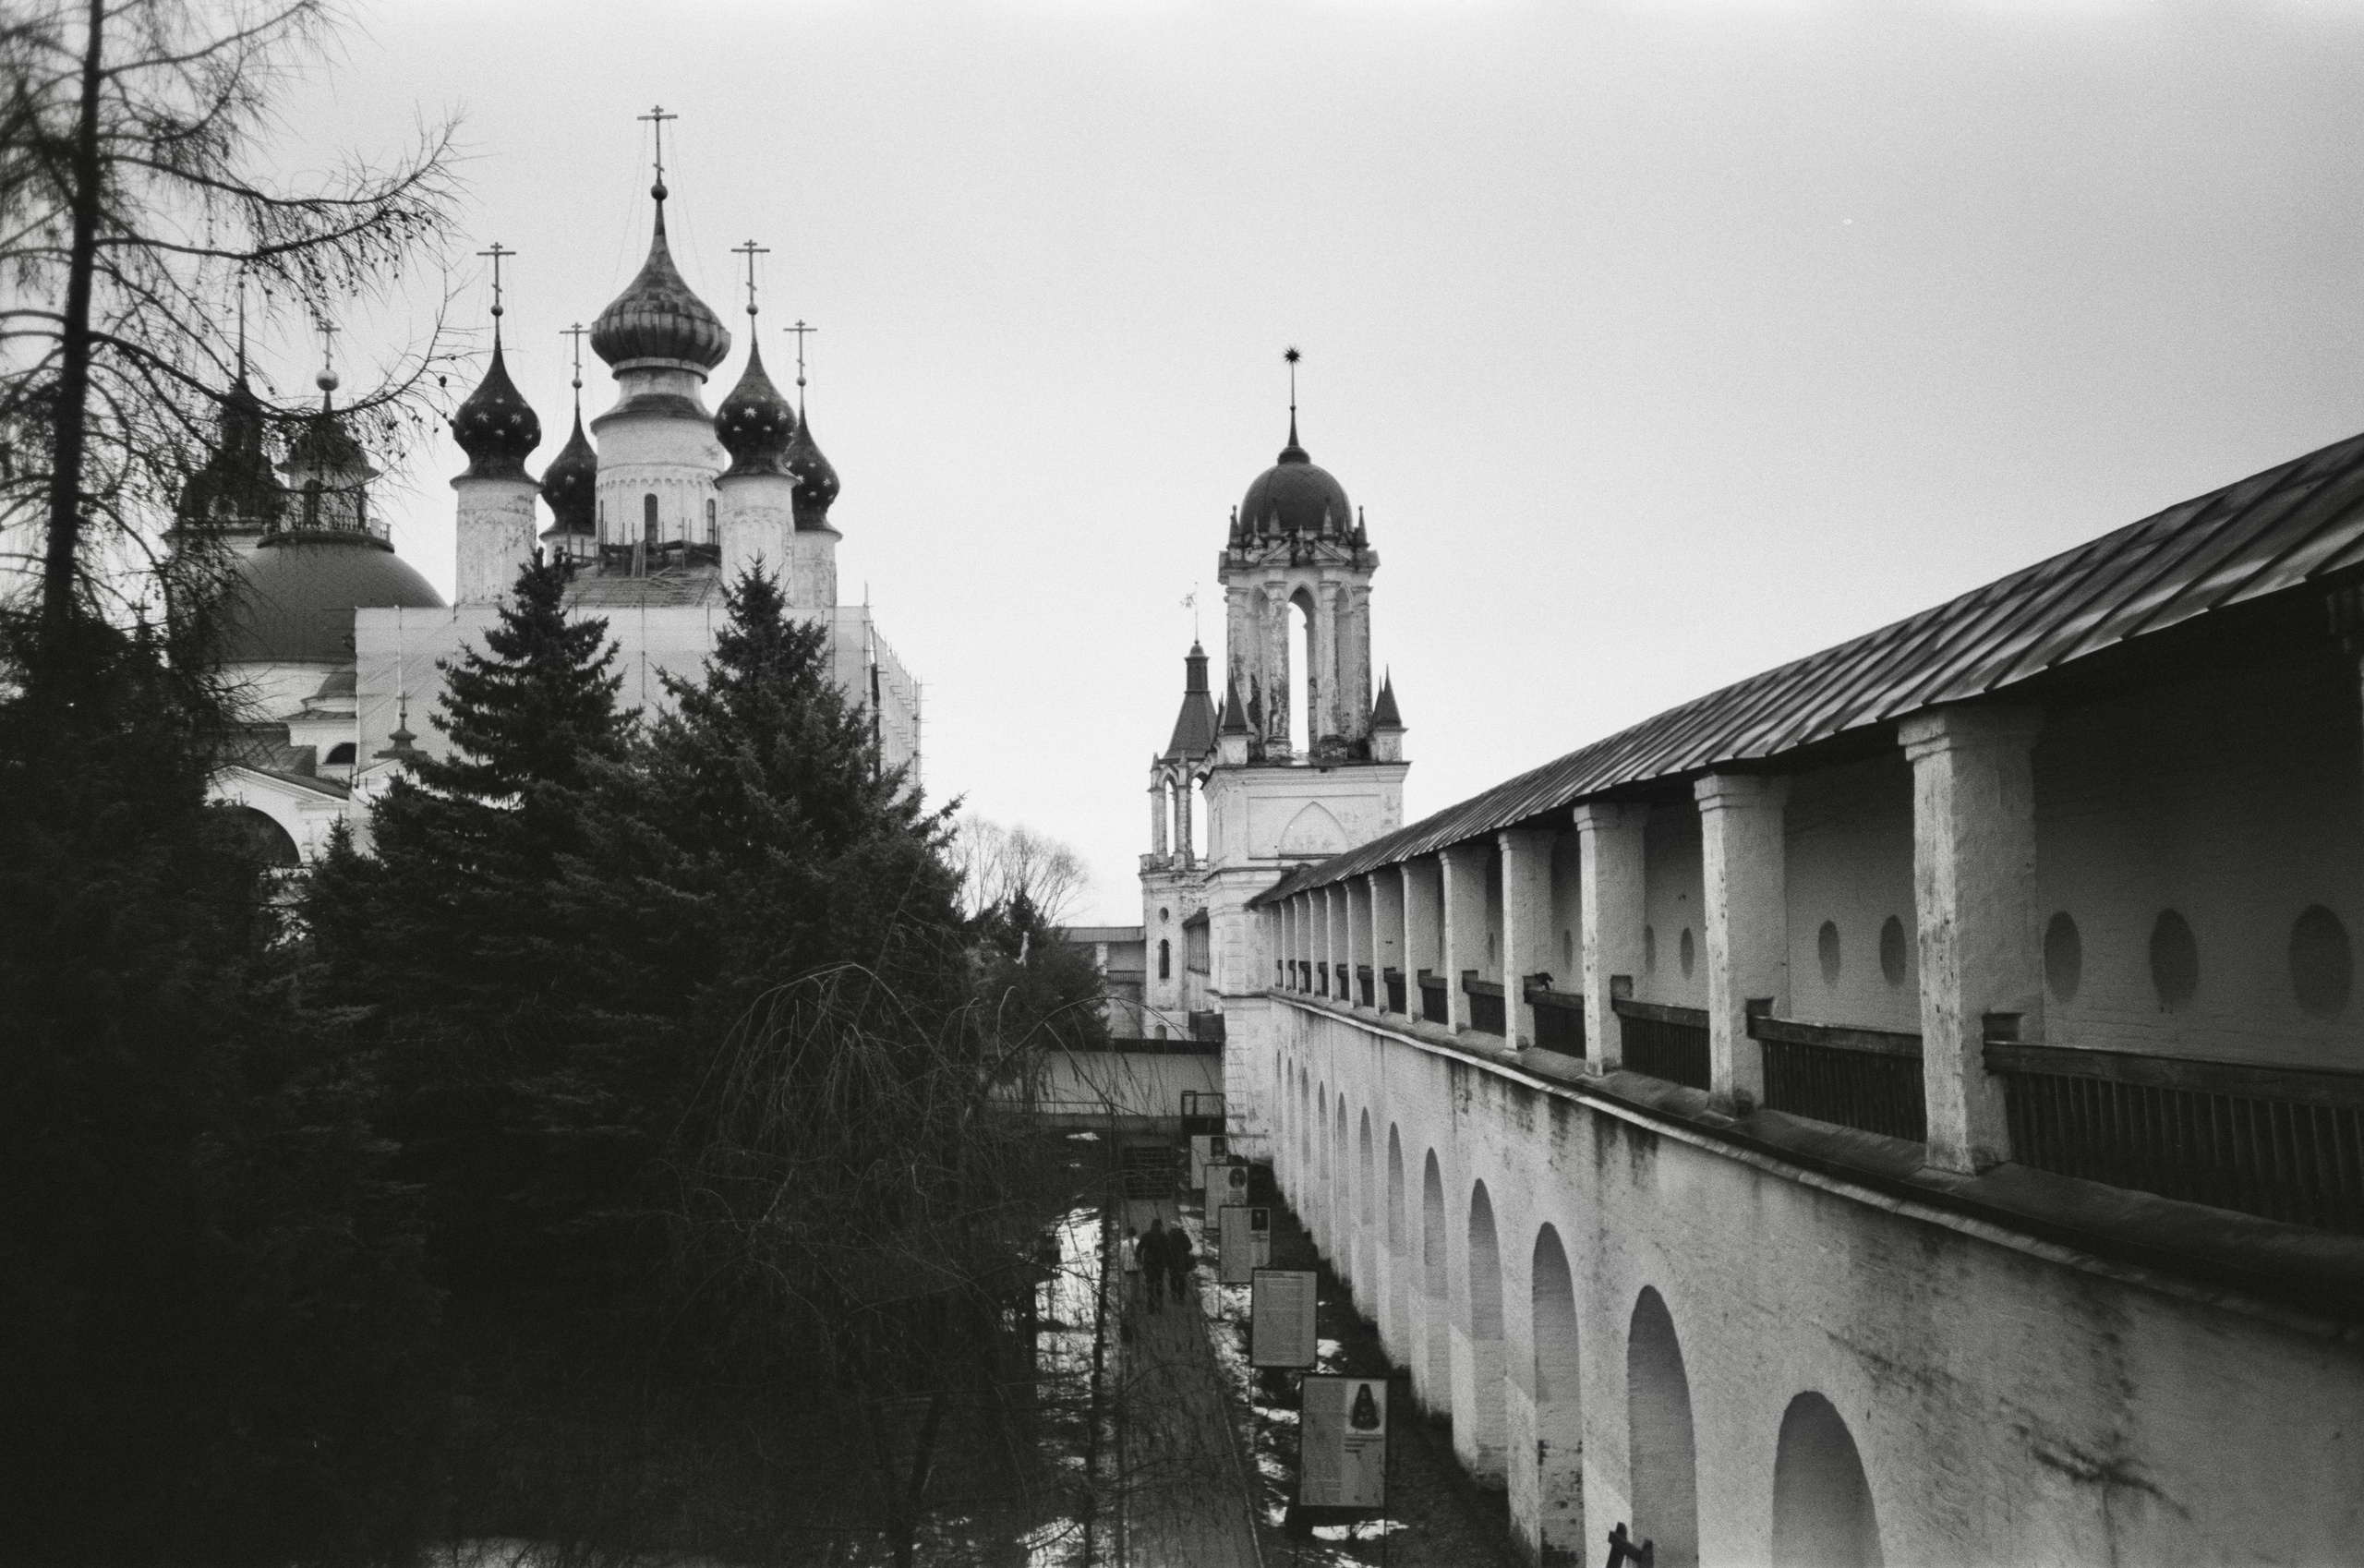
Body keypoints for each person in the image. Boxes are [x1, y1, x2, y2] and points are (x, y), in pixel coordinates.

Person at [1165, 1224, 1196, 1311]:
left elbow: (1166, 1248)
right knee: (1182, 1278)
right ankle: (1181, 1296)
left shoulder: (1168, 1236)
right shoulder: (1184, 1236)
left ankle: (1173, 1293)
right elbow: (1189, 1247)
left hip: (1172, 1261)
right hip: (1182, 1260)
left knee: (1173, 1277)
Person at [1142, 1218, 1169, 1313]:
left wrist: (1140, 1260)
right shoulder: (1164, 1236)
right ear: (1160, 1226)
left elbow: (1139, 1249)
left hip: (1148, 1264)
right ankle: (1160, 1306)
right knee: (1159, 1284)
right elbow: (1168, 1251)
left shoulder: (1146, 1235)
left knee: (1149, 1285)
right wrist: (1166, 1263)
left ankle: (1150, 1307)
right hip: (1159, 1265)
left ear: (1152, 1225)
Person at [1118, 1225, 1143, 1320]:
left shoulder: (1124, 1243)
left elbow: (1121, 1255)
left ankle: (1129, 1300)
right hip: (1136, 1265)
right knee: (1137, 1281)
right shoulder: (1138, 1242)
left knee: (1128, 1282)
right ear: (1135, 1233)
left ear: (1127, 1234)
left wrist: (1121, 1265)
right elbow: (1141, 1253)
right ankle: (1137, 1297)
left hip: (1127, 1266)